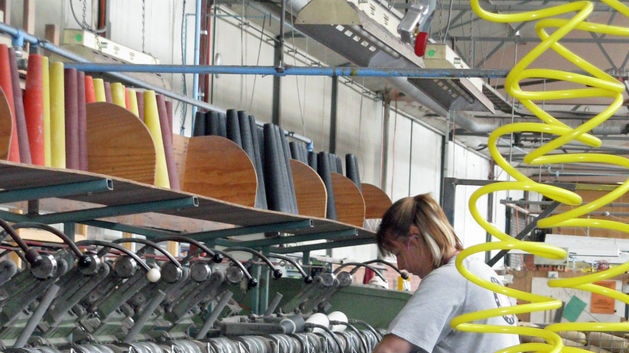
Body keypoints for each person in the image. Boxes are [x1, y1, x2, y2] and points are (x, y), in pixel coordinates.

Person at [372, 193, 519, 353]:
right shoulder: (478, 269)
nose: (400, 265)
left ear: (415, 238)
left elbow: (389, 351)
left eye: (398, 253)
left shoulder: (448, 278)